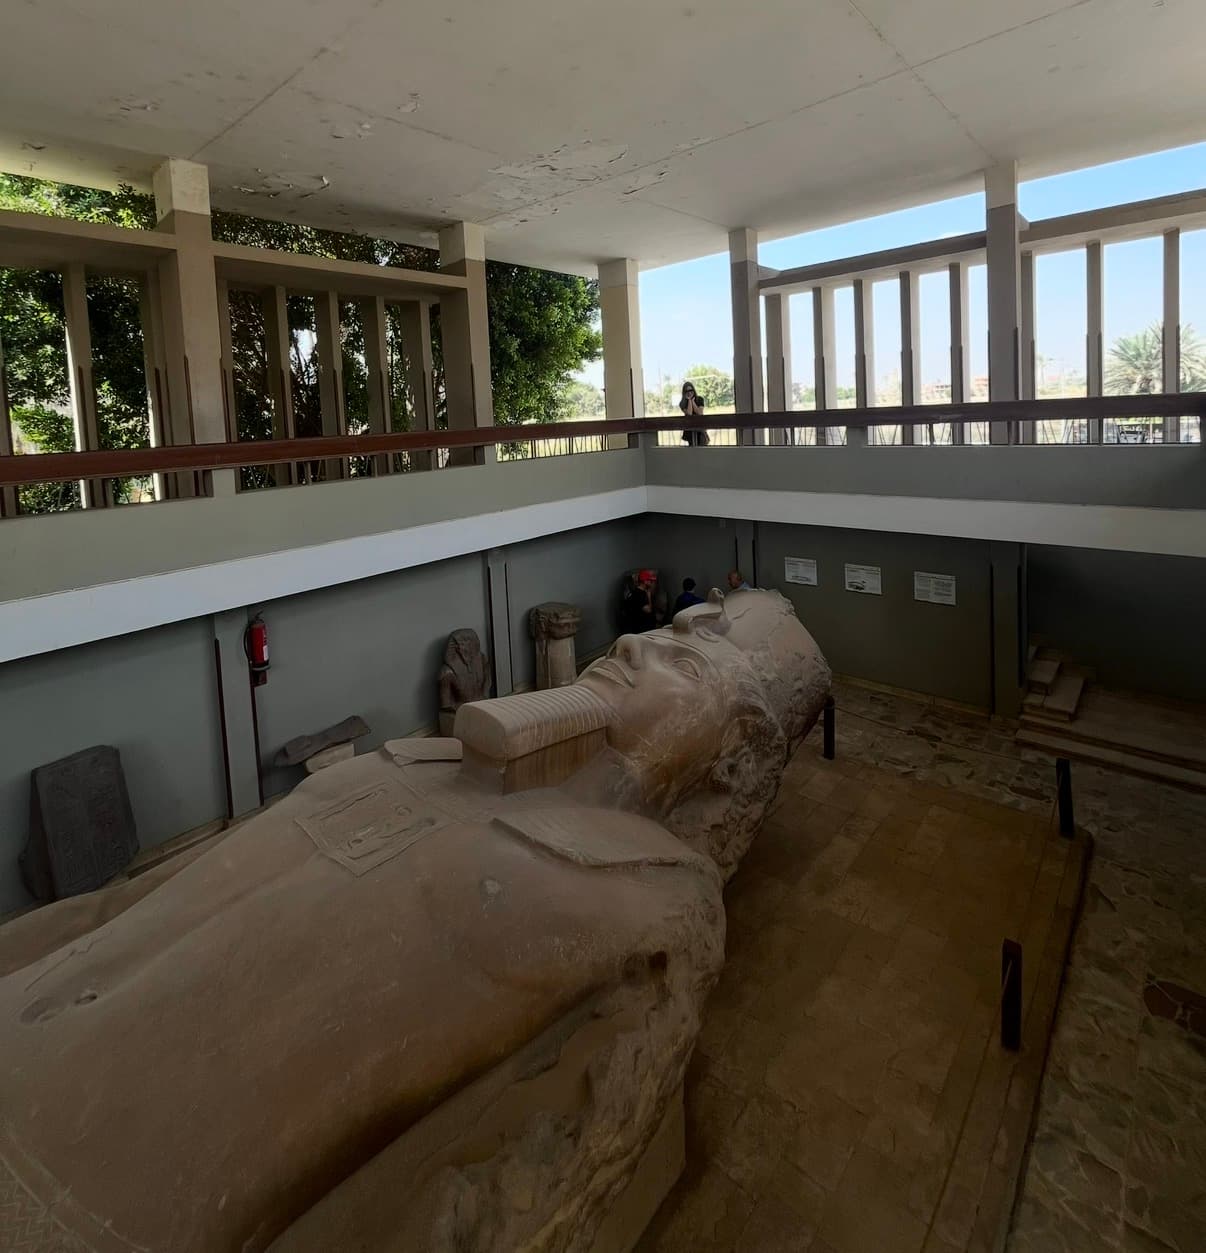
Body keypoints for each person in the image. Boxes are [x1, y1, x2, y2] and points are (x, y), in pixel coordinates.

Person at [678, 382, 710, 447]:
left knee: (703, 448)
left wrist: (693, 402)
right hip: (689, 429)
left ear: (693, 390)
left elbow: (699, 413)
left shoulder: (700, 399)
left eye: (691, 390)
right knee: (692, 449)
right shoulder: (682, 403)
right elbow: (689, 413)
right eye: (686, 391)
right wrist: (689, 400)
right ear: (684, 392)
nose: (689, 392)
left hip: (700, 429)